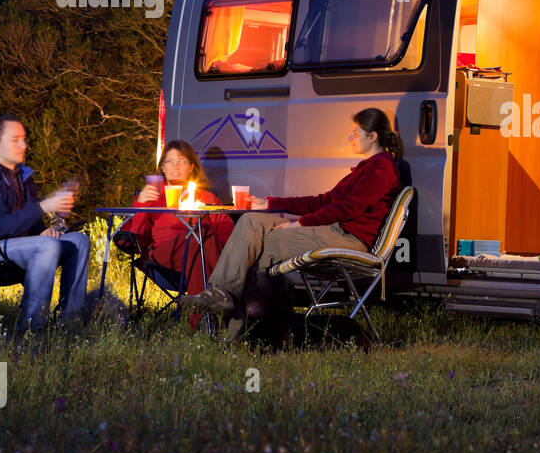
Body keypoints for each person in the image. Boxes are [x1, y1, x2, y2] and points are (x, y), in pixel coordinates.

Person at [179, 109, 404, 331]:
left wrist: (301, 224)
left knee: (260, 247)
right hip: (333, 231)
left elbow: (347, 208)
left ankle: (240, 329)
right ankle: (220, 294)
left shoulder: (381, 169)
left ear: (372, 136)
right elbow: (322, 201)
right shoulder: (365, 170)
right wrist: (270, 203)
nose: (349, 138)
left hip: (347, 238)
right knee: (250, 221)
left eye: (355, 133)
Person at [0, 114, 91, 331]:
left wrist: (42, 230)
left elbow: (28, 220)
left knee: (78, 241)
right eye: (15, 139)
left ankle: (68, 321)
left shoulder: (23, 177)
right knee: (47, 246)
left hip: (15, 247)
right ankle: (31, 327)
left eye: (23, 139)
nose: (23, 144)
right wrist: (44, 207)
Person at [116, 140, 232, 330]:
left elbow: (227, 235)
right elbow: (132, 236)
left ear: (191, 166)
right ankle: (221, 308)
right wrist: (141, 205)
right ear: (162, 167)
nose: (176, 166)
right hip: (163, 256)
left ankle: (203, 322)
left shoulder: (207, 198)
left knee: (199, 240)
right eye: (170, 161)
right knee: (200, 236)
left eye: (182, 161)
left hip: (201, 254)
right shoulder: (152, 195)